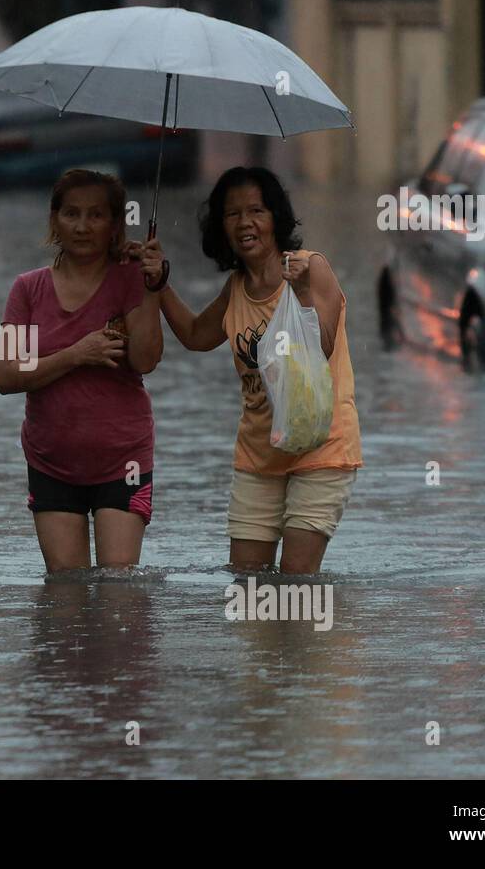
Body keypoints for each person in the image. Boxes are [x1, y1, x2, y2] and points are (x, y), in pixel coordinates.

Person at [142, 166, 362, 575]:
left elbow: (324, 345)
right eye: (232, 214)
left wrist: (302, 294)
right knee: (248, 588)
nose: (245, 222)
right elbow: (194, 334)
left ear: (275, 217)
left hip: (321, 446)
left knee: (296, 582)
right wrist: (159, 283)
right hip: (260, 454)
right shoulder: (236, 287)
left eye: (256, 210)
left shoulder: (309, 268)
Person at [0, 169, 165, 574]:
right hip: (51, 461)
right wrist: (76, 354)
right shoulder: (27, 289)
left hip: (122, 458)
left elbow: (146, 360)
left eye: (96, 215)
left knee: (118, 592)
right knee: (65, 595)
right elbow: (5, 375)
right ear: (54, 220)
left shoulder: (131, 279)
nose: (83, 226)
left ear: (115, 225)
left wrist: (153, 286)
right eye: (71, 214)